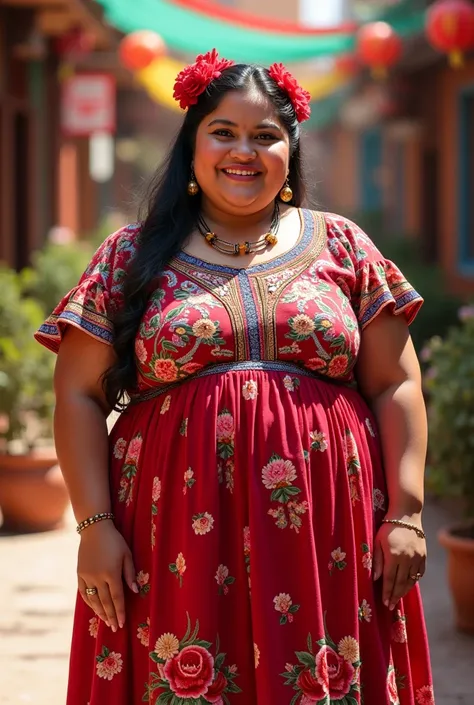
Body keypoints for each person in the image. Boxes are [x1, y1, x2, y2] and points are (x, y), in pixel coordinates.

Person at [35, 50, 434, 705]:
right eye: (223, 131)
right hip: (171, 535)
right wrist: (95, 525)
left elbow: (396, 382)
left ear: (290, 151)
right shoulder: (129, 256)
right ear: (193, 144)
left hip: (326, 533)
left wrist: (409, 515)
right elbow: (77, 394)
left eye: (265, 135)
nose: (243, 151)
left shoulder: (344, 246)